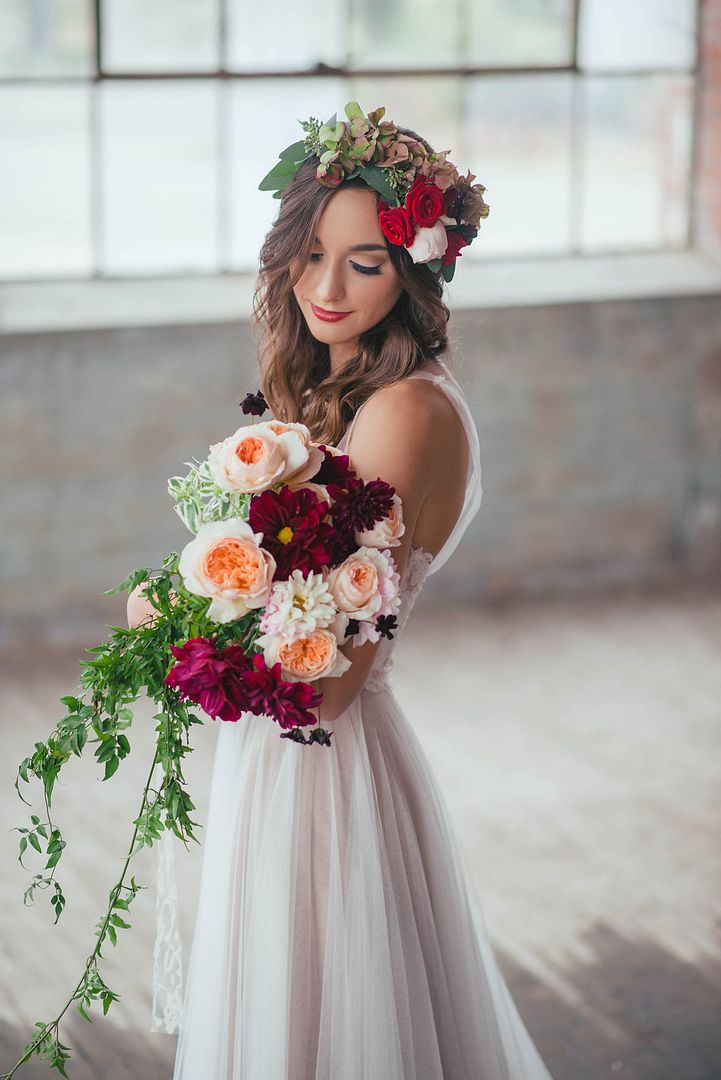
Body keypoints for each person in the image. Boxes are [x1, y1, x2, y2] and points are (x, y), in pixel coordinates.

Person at [129, 102, 555, 1079]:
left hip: (325, 768)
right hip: (296, 756)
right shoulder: (354, 389)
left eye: (363, 263)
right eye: (311, 252)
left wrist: (179, 617)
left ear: (414, 270)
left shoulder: (403, 413)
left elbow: (327, 682)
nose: (324, 287)